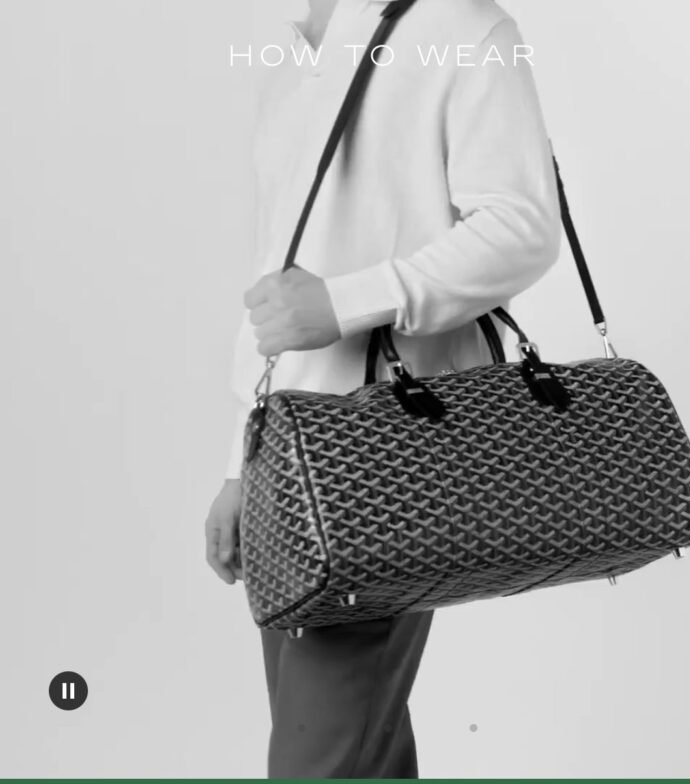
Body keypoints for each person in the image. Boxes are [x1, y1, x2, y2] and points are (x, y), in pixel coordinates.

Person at [204, 0, 561, 777]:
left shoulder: (464, 27)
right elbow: (275, 283)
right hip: (286, 455)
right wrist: (239, 464)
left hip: (393, 460)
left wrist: (345, 302)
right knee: (363, 750)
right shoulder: (286, 57)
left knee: (321, 758)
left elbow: (523, 227)